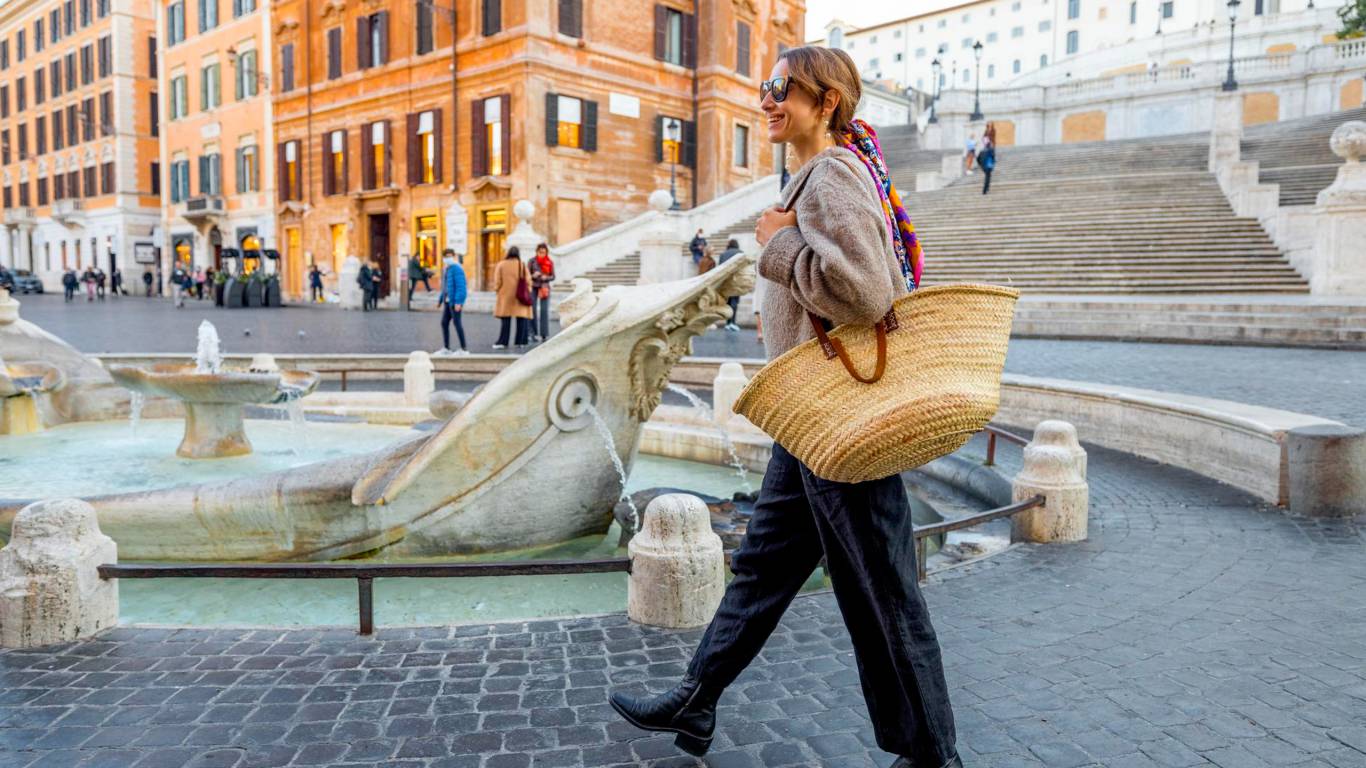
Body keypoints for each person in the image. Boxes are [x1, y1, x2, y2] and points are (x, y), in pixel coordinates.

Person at [608, 45, 960, 768]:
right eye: (765, 87)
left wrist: (777, 247)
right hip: (810, 421)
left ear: (825, 101)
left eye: (781, 89)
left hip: (841, 420)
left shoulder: (830, 175)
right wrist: (786, 243)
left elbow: (868, 292)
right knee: (766, 566)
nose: (766, 99)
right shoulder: (815, 175)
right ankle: (698, 697)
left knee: (887, 593)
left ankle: (933, 754)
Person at [492, 246, 532, 349]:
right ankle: (521, 341)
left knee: (505, 320)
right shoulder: (522, 265)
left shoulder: (501, 265)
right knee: (521, 319)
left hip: (505, 295)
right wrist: (529, 291)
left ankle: (503, 341)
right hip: (520, 295)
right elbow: (528, 280)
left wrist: (497, 290)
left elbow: (497, 281)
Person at [435, 249, 469, 356]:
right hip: (448, 301)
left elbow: (461, 287)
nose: (447, 258)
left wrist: (459, 302)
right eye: (445, 257)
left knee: (457, 323)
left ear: (453, 256)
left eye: (449, 256)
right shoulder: (447, 269)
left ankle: (464, 349)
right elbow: (445, 287)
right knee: (444, 323)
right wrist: (440, 299)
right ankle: (446, 348)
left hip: (455, 302)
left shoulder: (457, 268)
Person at [529, 243, 556, 343]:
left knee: (544, 311)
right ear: (537, 252)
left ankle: (544, 334)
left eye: (544, 252)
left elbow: (553, 276)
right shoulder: (532, 261)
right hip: (534, 287)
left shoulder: (549, 262)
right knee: (533, 310)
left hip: (544, 287)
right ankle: (532, 333)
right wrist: (533, 275)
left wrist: (546, 277)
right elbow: (527, 275)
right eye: (540, 252)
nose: (542, 254)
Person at [718, 239, 743, 331]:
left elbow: (719, 268)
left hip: (726, 281)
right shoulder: (741, 253)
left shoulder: (723, 254)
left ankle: (728, 323)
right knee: (734, 302)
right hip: (737, 281)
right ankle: (732, 322)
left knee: (728, 303)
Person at [978, 123, 997, 195]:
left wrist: (980, 164)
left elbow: (978, 158)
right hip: (988, 165)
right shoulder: (990, 150)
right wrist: (994, 162)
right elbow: (993, 156)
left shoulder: (982, 150)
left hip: (983, 166)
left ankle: (986, 188)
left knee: (987, 176)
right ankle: (985, 189)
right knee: (988, 177)